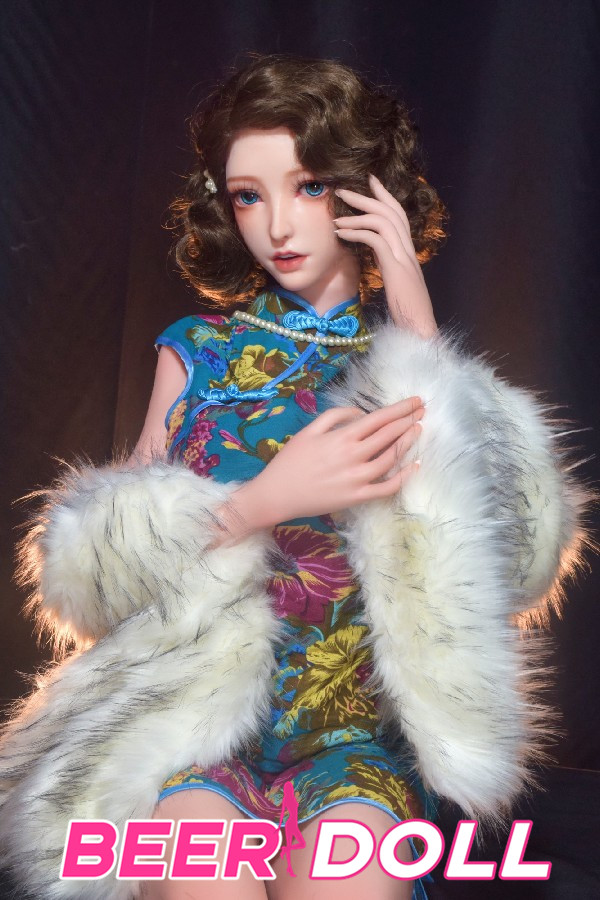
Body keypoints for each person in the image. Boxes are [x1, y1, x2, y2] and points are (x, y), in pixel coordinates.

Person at [0, 53, 593, 900]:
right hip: (193, 727)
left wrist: (417, 324)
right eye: (248, 195)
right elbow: (93, 579)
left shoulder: (413, 367)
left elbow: (522, 562)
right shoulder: (198, 352)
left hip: (355, 744)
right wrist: (260, 503)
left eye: (309, 186)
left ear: (365, 192)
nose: (277, 224)